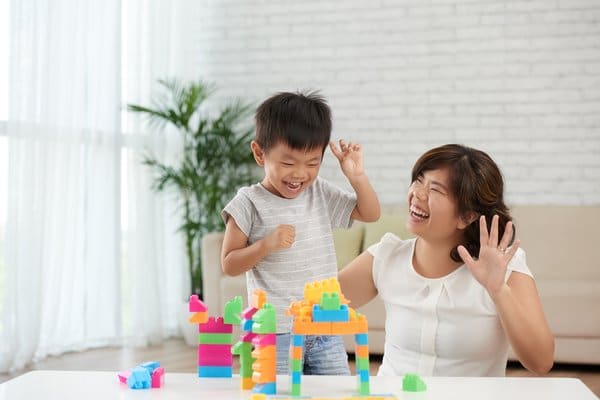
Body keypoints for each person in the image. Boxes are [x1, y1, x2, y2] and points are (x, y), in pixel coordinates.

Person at [338, 144, 554, 377]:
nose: (417, 194)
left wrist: (498, 290)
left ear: (467, 216)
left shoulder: (504, 269)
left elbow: (541, 362)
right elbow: (309, 305)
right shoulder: (386, 257)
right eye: (419, 180)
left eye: (435, 190)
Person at [220, 91, 381, 375]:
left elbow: (370, 214)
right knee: (277, 393)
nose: (300, 174)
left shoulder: (319, 193)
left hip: (323, 329)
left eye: (312, 163)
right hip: (275, 333)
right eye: (288, 163)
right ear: (260, 153)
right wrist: (264, 246)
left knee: (334, 394)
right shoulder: (248, 203)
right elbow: (229, 263)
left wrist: (356, 177)